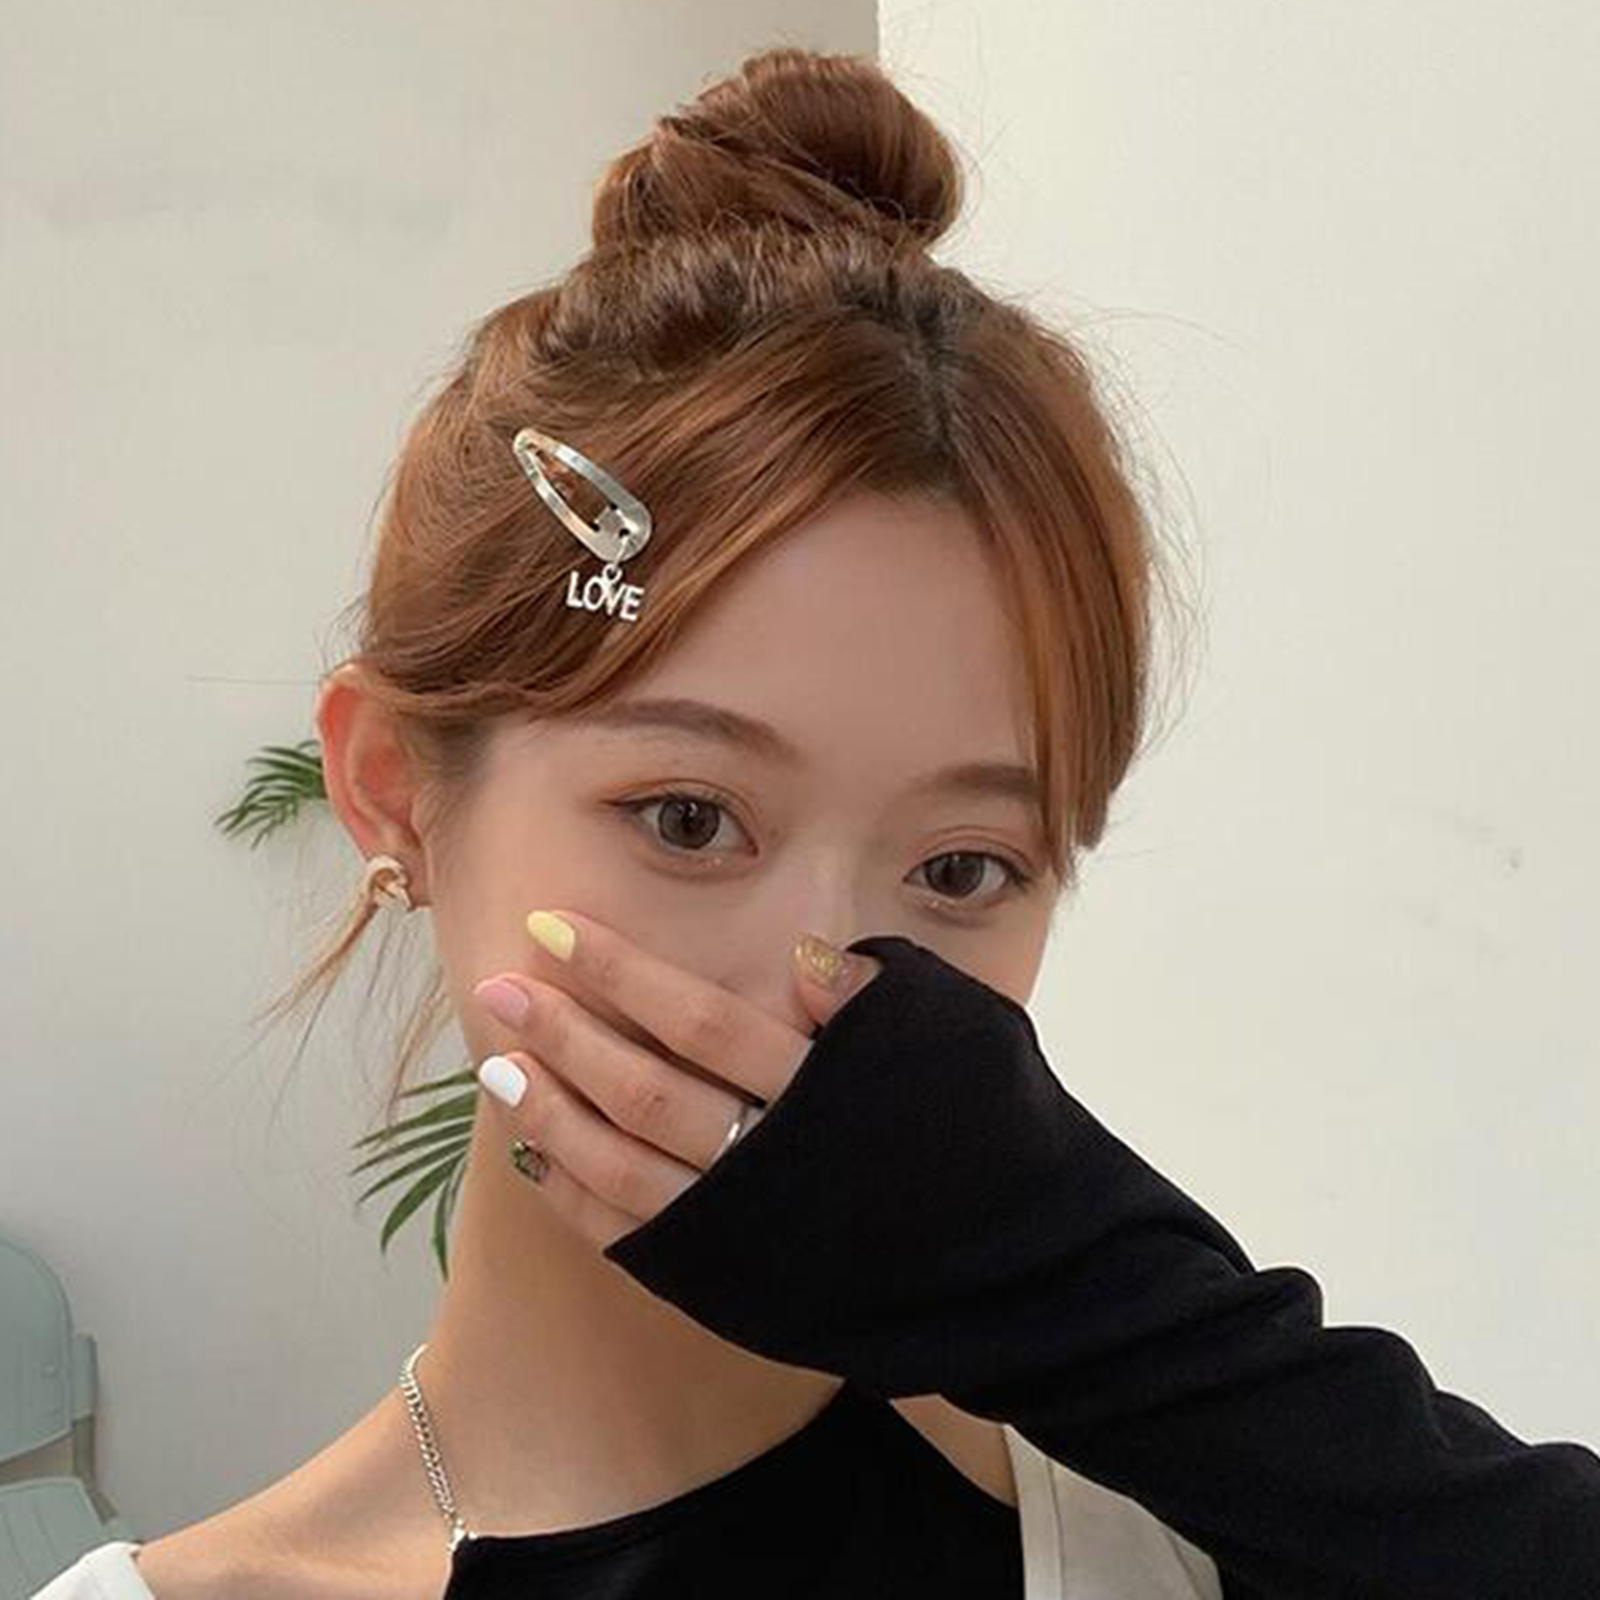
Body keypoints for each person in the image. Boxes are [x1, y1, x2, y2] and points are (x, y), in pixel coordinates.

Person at [33, 41, 1598, 1600]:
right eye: (688, 818)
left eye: (962, 867)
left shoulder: (1184, 1544)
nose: (826, 984)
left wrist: (1093, 1307)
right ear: (392, 788)